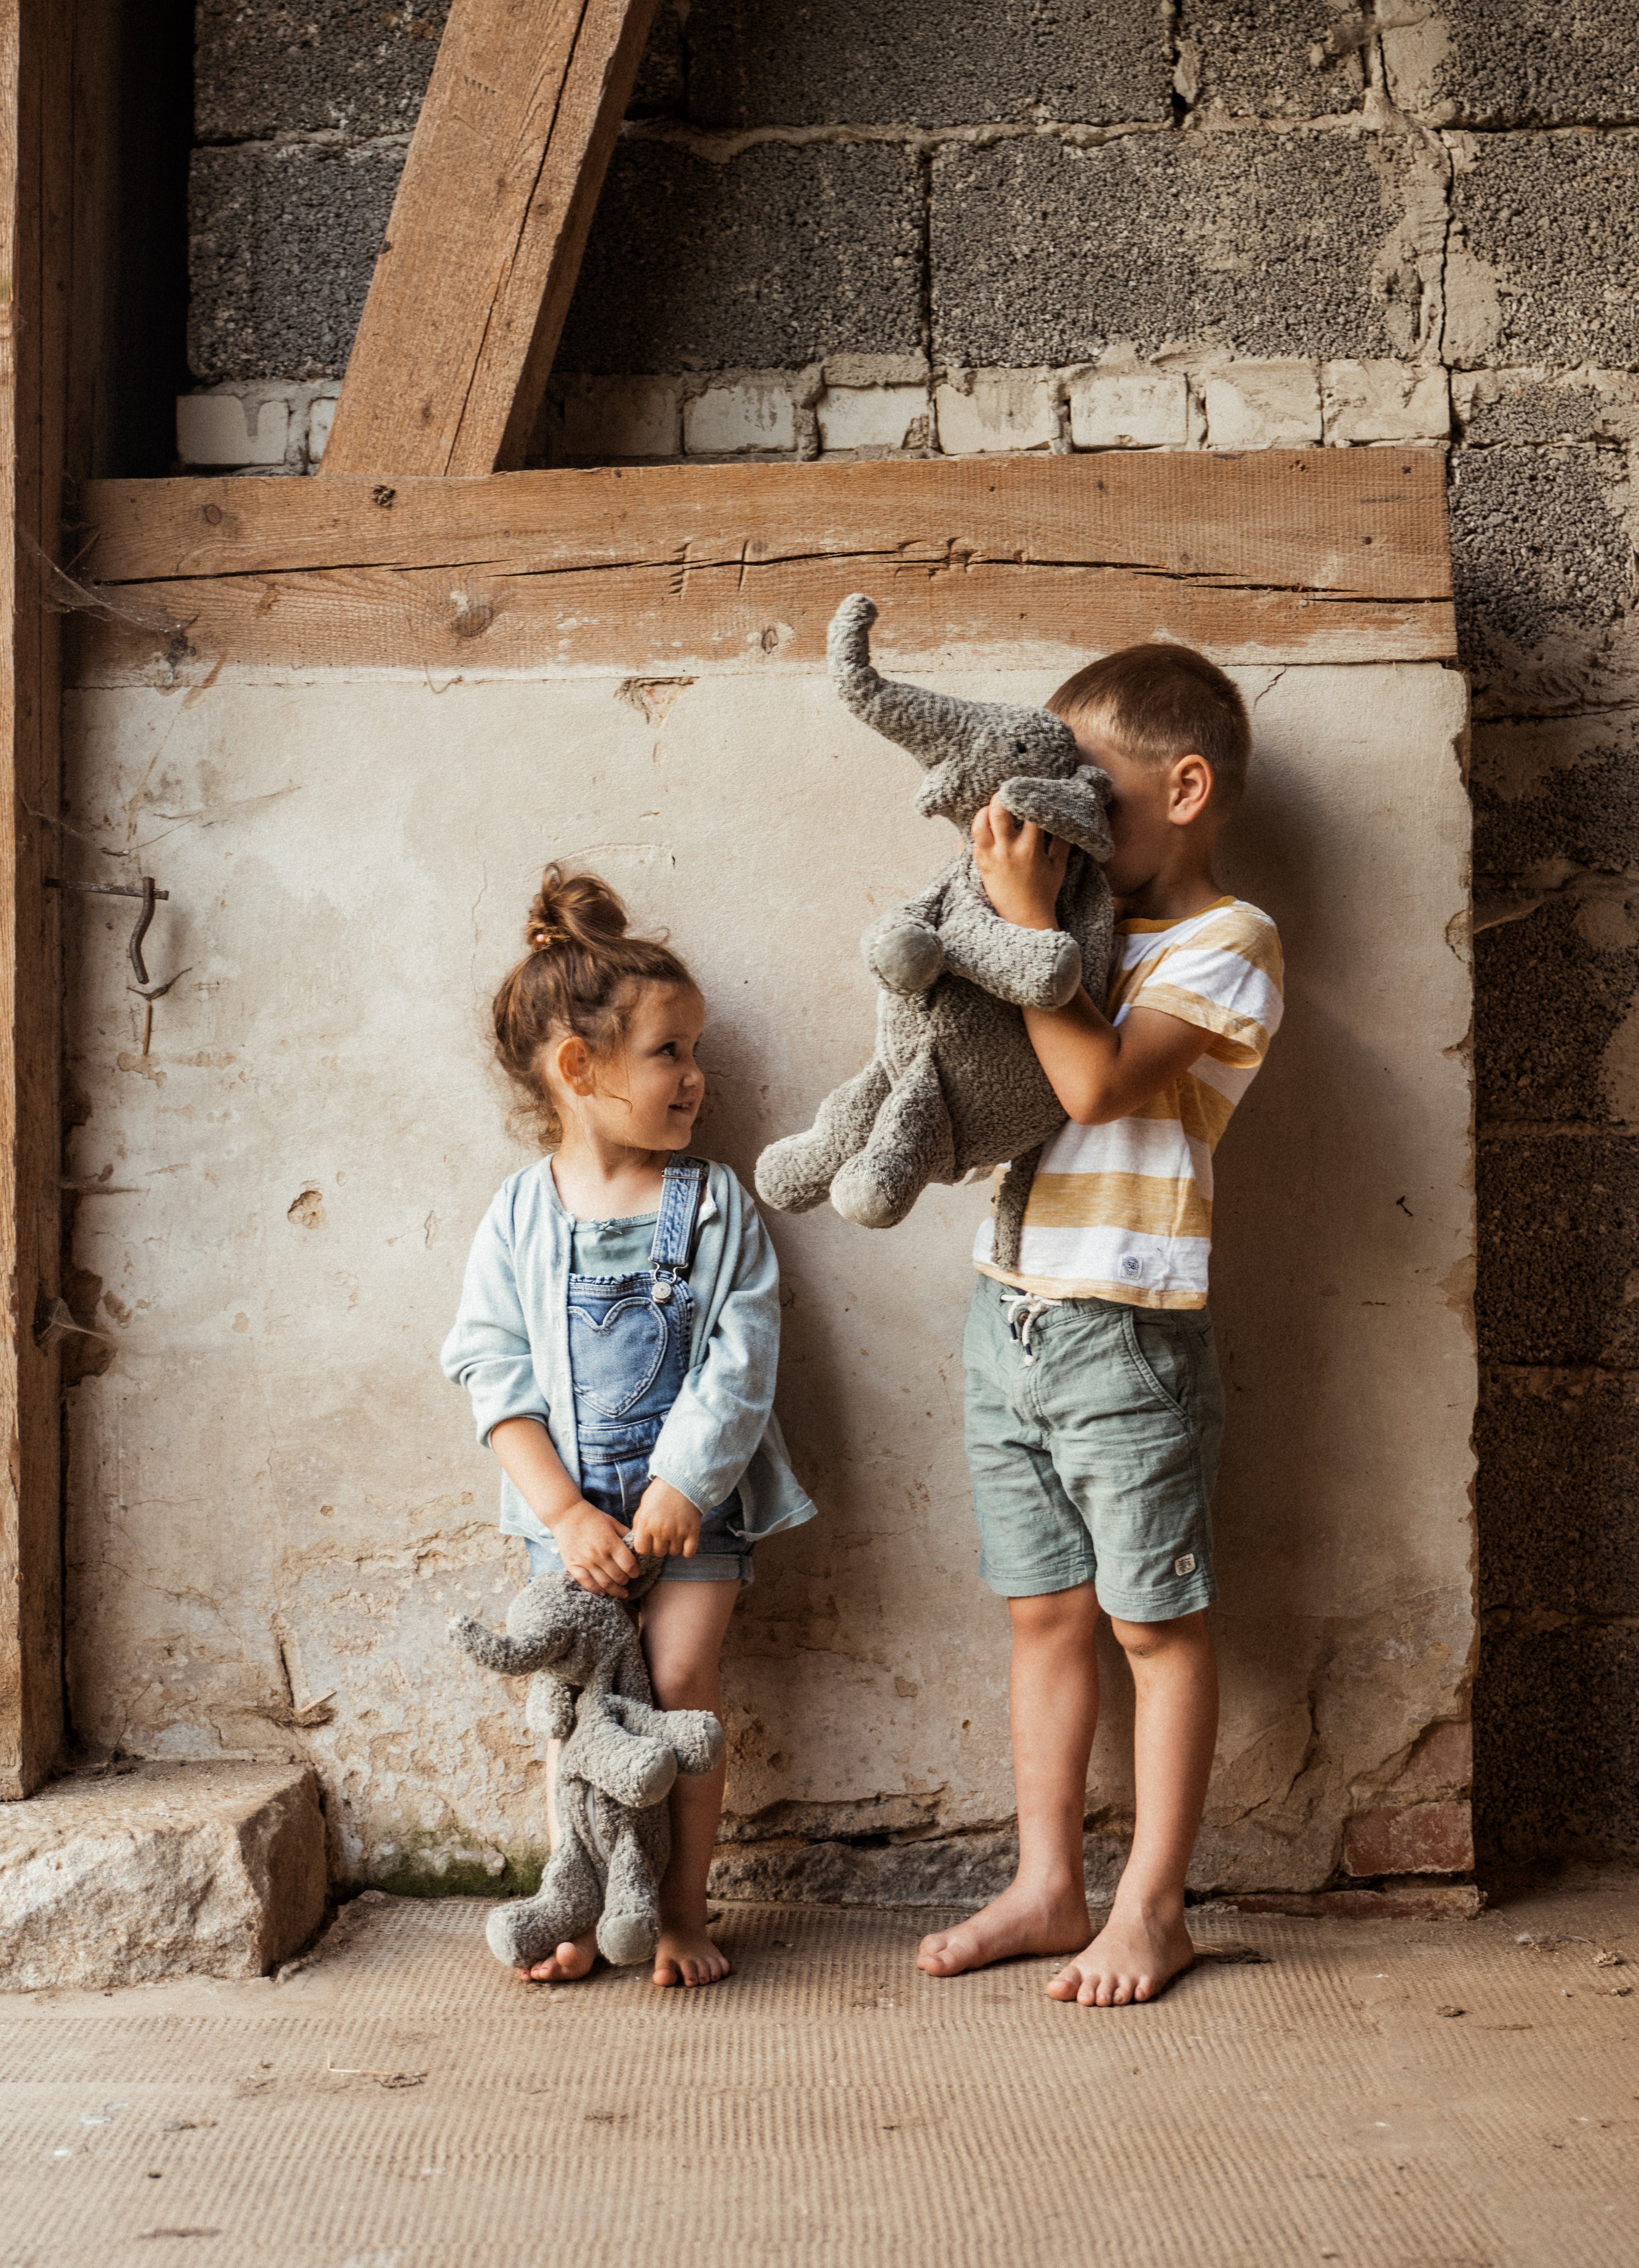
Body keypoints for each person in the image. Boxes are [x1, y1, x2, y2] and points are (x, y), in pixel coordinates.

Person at [915, 645, 1283, 2007]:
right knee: (1046, 1617)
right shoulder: (1081, 936)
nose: (1068, 825)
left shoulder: (1227, 945)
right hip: (1005, 1311)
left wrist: (1021, 925)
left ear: (1186, 790)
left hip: (1127, 1332)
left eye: (1097, 799)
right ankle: (1047, 1882)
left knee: (1155, 1623)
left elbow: (1096, 1085)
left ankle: (1153, 1906)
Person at [443, 867, 815, 1988]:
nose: (697, 1077)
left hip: (692, 1516)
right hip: (568, 1531)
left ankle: (682, 1913)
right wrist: (561, 1514)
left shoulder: (713, 1207)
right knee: (577, 1716)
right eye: (671, 1054)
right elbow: (489, 1370)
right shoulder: (519, 1215)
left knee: (682, 1695)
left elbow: (741, 1363)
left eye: (697, 1051)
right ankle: (577, 1910)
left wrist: (683, 1487)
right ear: (577, 1068)